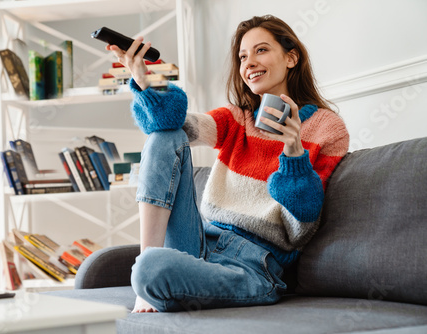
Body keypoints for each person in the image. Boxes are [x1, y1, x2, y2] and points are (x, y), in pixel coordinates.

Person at [106, 15, 349, 313]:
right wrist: (145, 79)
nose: (248, 63)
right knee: (164, 137)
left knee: (153, 270)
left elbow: (302, 228)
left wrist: (294, 153)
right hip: (199, 244)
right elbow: (169, 123)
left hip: (254, 266)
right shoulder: (237, 118)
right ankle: (145, 275)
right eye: (243, 56)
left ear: (291, 57)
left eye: (261, 50)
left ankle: (149, 274)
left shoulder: (327, 128)